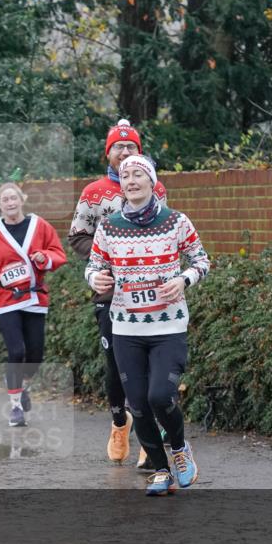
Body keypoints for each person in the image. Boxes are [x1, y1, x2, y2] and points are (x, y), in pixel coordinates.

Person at [85, 155, 209, 496]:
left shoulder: (176, 221)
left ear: (152, 181)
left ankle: (180, 449)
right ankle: (160, 470)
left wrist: (184, 280)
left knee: (160, 395)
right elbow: (93, 266)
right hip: (126, 327)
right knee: (137, 403)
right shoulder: (109, 226)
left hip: (167, 326)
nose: (131, 180)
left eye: (139, 174)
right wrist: (95, 278)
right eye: (126, 176)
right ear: (121, 185)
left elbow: (201, 260)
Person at [68, 119, 167, 468]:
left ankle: (148, 438)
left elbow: (166, 231)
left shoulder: (157, 190)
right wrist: (105, 259)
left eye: (131, 147)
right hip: (110, 294)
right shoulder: (94, 193)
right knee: (117, 366)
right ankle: (119, 424)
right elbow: (77, 235)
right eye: (118, 147)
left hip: (150, 292)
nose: (124, 152)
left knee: (151, 367)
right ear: (107, 154)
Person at [0, 182, 67, 427]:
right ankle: (15, 406)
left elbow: (59, 253)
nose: (10, 203)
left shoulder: (40, 225)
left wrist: (44, 257)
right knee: (16, 351)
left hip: (35, 296)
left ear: (22, 199)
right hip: (6, 298)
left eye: (13, 198)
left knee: (35, 354)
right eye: (5, 199)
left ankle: (22, 385)